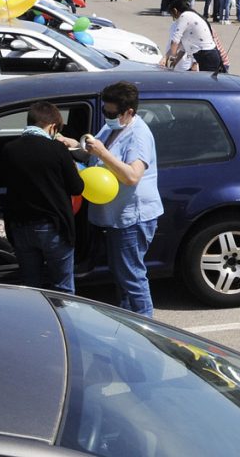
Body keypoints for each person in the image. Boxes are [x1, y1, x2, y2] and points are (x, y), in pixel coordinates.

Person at [83, 82, 163, 316]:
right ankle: (130, 322)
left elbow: (132, 175)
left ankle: (146, 325)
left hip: (132, 218)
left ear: (129, 112)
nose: (107, 116)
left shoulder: (138, 135)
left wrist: (102, 153)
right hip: (116, 216)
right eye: (104, 111)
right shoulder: (113, 128)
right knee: (122, 276)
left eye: (112, 113)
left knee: (131, 276)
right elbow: (98, 153)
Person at [1, 102, 85, 294]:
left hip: (21, 227)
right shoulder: (58, 150)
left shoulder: (9, 149)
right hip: (53, 228)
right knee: (62, 288)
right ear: (52, 127)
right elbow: (77, 187)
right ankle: (62, 323)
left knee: (31, 287)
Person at [161, 0, 223, 72]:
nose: (174, 19)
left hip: (207, 55)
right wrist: (175, 61)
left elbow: (175, 40)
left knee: (207, 82)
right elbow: (183, 48)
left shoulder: (185, 16)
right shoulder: (191, 16)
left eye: (173, 15)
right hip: (205, 55)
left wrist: (172, 57)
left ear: (175, 10)